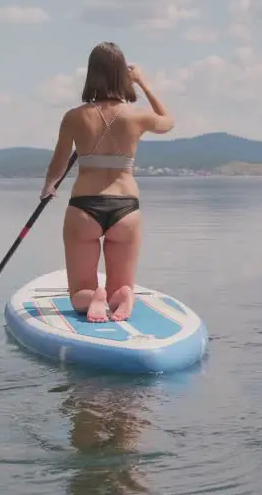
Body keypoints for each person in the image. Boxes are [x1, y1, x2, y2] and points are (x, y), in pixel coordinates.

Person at [40, 42, 174, 323]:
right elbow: (168, 121)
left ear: (91, 75)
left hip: (84, 209)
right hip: (126, 209)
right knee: (121, 286)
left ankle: (93, 297)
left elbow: (59, 162)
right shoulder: (137, 116)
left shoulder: (74, 117)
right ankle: (122, 295)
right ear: (122, 77)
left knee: (79, 293)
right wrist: (143, 83)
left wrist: (49, 186)